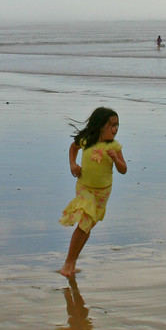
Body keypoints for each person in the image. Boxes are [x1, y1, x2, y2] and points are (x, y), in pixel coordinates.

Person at [59, 107, 127, 277]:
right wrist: (72, 164)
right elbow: (73, 148)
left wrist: (115, 159)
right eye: (111, 125)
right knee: (84, 223)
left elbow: (123, 169)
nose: (115, 129)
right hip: (84, 188)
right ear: (99, 125)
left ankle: (72, 261)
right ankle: (68, 263)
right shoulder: (86, 140)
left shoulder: (114, 146)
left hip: (103, 193)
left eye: (117, 125)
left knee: (87, 226)